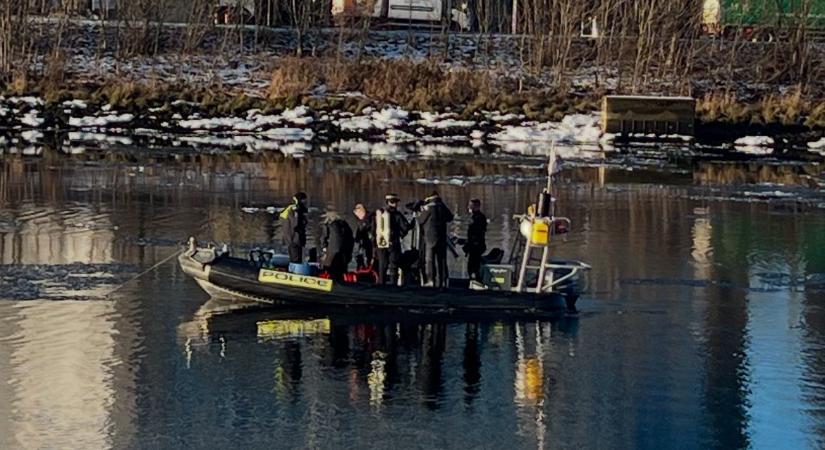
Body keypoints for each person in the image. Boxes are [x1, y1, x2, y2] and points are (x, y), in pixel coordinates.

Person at [417, 191, 454, 288]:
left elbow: (420, 221)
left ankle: (431, 280)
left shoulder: (428, 208)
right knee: (441, 260)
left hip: (430, 238)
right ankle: (442, 281)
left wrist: (422, 211)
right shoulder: (442, 207)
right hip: (441, 238)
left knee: (430, 260)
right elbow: (450, 217)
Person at [375, 193, 410, 285]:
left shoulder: (380, 213)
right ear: (396, 203)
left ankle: (381, 284)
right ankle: (393, 286)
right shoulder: (397, 215)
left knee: (382, 265)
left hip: (381, 243)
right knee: (394, 265)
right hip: (393, 243)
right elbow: (405, 227)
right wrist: (401, 234)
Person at [319, 209, 354, 280]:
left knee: (329, 269)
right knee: (341, 272)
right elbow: (351, 240)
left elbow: (323, 239)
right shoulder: (346, 225)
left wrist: (324, 249)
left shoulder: (329, 225)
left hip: (333, 253)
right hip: (344, 252)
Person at [279, 192, 308, 264]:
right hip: (294, 239)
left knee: (295, 257)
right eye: (304, 200)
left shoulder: (291, 209)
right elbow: (295, 224)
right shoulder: (295, 209)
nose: (305, 202)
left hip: (292, 238)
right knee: (296, 258)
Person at [464, 199, 487, 281]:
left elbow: (477, 234)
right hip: (474, 244)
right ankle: (473, 279)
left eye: (471, 206)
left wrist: (470, 243)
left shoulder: (478, 218)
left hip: (476, 245)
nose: (469, 208)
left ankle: (475, 280)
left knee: (473, 265)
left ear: (476, 207)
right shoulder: (474, 217)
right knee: (471, 265)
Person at [353, 203, 374, 270]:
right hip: (365, 244)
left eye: (357, 214)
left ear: (361, 211)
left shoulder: (368, 219)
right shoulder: (362, 221)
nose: (357, 216)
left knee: (368, 259)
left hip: (370, 244)